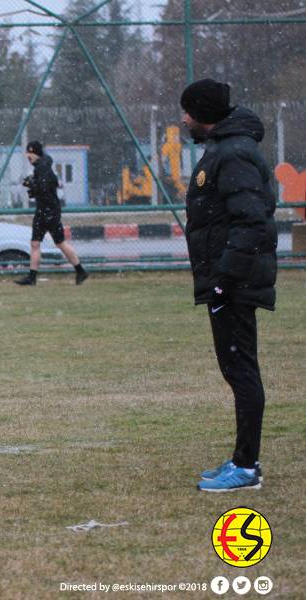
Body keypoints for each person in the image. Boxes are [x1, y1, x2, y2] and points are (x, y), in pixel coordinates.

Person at [179, 79, 277, 492]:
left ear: (204, 114)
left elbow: (252, 220)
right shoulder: (225, 148)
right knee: (235, 369)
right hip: (228, 280)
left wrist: (225, 278)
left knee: (241, 370)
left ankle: (247, 467)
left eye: (187, 111)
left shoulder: (233, 153)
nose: (183, 119)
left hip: (235, 283)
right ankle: (242, 458)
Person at [14, 141, 88, 286]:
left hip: (47, 211)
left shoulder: (42, 168)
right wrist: (32, 183)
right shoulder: (42, 167)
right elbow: (44, 186)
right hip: (46, 210)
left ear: (35, 154)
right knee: (38, 243)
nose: (28, 158)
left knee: (56, 243)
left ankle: (80, 271)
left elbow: (44, 189)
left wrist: (31, 185)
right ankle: (33, 277)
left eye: (30, 155)